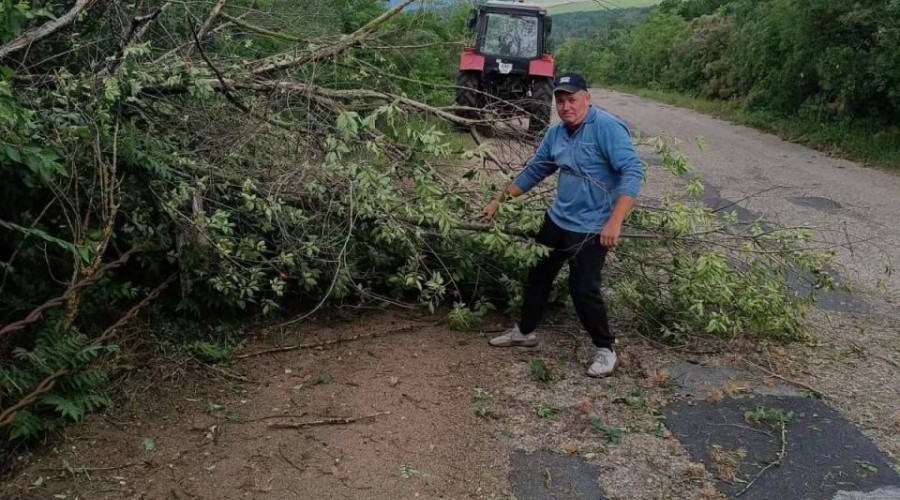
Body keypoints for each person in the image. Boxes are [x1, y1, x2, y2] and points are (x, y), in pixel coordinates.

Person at [482, 73, 644, 378]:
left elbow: (632, 172)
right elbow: (534, 171)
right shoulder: (556, 135)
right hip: (558, 219)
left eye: (572, 99)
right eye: (560, 100)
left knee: (583, 289)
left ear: (587, 98)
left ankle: (605, 349)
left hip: (592, 227)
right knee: (538, 276)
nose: (566, 106)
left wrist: (614, 222)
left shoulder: (606, 128)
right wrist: (499, 200)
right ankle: (525, 332)